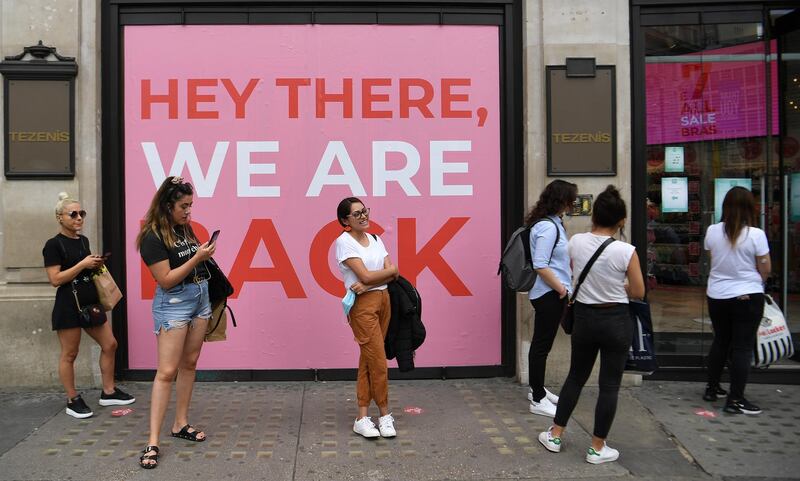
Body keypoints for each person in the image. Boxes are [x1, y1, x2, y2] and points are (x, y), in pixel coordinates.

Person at [538, 185, 645, 465]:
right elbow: (638, 292)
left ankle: (556, 434)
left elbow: (573, 271)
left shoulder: (576, 242)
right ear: (622, 220)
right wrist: (619, 285)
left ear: (594, 216)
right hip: (616, 321)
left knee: (576, 377)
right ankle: (597, 448)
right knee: (609, 386)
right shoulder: (626, 251)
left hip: (585, 318)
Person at [136, 176, 216, 469]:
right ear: (167, 205)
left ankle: (180, 423)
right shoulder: (151, 237)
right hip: (174, 304)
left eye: (190, 206)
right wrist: (197, 258)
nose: (188, 212)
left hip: (200, 299)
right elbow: (166, 279)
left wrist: (202, 256)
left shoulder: (183, 228)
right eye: (183, 206)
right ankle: (153, 441)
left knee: (190, 363)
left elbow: (189, 261)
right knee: (167, 371)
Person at [43, 193, 135, 419]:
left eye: (81, 213)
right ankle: (73, 399)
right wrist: (83, 263)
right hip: (68, 305)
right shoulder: (53, 245)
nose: (79, 218)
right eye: (73, 214)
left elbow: (83, 270)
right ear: (60, 217)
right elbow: (55, 279)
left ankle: (109, 391)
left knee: (110, 344)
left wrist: (94, 264)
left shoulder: (83, 241)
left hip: (90, 303)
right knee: (70, 353)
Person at [334, 197, 399, 439]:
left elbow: (392, 273)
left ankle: (362, 417)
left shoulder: (375, 239)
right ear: (345, 221)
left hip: (384, 301)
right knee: (378, 361)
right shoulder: (344, 243)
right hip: (362, 307)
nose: (363, 216)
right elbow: (367, 275)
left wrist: (379, 277)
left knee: (368, 358)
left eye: (365, 211)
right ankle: (384, 414)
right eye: (357, 214)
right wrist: (382, 275)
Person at [703, 186, 770, 415]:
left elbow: (714, 260)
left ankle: (712, 388)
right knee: (742, 347)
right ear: (750, 208)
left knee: (721, 341)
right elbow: (765, 267)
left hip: (717, 295)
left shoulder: (712, 231)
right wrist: (757, 282)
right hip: (747, 295)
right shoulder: (756, 235)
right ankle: (736, 400)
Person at [525, 180, 578, 417]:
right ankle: (537, 398)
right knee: (541, 346)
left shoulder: (554, 223)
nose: (573, 204)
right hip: (548, 293)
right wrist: (562, 291)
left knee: (542, 345)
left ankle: (539, 391)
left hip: (551, 292)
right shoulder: (547, 227)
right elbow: (540, 265)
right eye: (571, 199)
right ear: (562, 200)